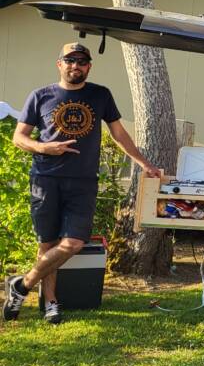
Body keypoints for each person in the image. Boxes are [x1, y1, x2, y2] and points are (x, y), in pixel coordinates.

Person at [3, 43, 161, 325]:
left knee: (74, 242)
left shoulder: (100, 95)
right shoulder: (41, 96)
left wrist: (144, 163)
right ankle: (51, 302)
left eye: (82, 62)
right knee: (47, 242)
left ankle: (22, 285)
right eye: (70, 60)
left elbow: (119, 134)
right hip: (46, 179)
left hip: (83, 182)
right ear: (59, 64)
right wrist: (43, 148)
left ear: (89, 67)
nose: (76, 66)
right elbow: (19, 137)